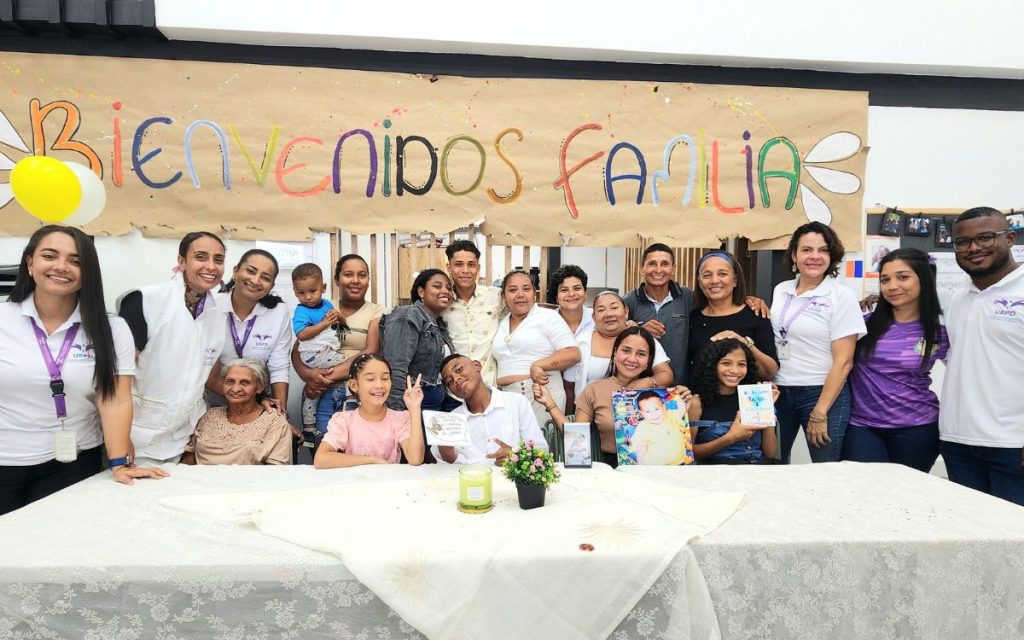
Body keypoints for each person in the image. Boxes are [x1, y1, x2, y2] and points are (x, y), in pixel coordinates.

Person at [0, 226, 166, 515]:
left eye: (76, 261)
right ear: (30, 263)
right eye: (49, 256)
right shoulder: (4, 319)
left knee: (58, 553)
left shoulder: (111, 328)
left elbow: (114, 399)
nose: (61, 267)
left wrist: (118, 464)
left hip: (73, 464)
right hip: (5, 461)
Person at [118, 231, 227, 465]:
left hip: (186, 440)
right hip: (138, 439)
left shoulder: (217, 316)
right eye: (201, 257)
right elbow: (116, 376)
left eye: (218, 260)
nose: (211, 266)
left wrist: (260, 401)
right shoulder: (145, 300)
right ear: (182, 262)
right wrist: (118, 438)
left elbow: (207, 377)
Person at [939, 207, 1024, 505]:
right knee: (970, 540)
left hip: (1013, 444)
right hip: (958, 441)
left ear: (1010, 238)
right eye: (963, 242)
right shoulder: (958, 298)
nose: (973, 248)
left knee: (1015, 540)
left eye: (986, 238)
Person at [844, 249, 948, 472]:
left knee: (906, 496)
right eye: (885, 279)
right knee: (865, 493)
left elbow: (967, 374)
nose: (891, 286)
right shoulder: (863, 323)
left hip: (918, 427)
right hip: (862, 426)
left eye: (903, 277)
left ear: (924, 279)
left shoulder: (941, 329)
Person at [771, 222, 866, 463]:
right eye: (807, 250)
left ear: (831, 256)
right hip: (779, 391)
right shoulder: (781, 290)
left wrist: (820, 411)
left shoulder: (841, 296)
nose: (815, 256)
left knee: (827, 469)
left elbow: (844, 361)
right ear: (794, 255)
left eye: (823, 250)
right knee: (771, 464)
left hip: (822, 392)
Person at [625, 243, 768, 386]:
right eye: (652, 264)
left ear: (673, 269)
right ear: (641, 268)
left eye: (664, 264)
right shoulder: (628, 301)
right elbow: (614, 335)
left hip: (681, 388)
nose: (658, 270)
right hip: (637, 387)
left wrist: (747, 299)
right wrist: (639, 330)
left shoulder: (688, 297)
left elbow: (717, 296)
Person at [537, 326, 675, 467]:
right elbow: (577, 438)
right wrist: (550, 403)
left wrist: (685, 403)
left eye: (641, 354)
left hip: (661, 468)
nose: (632, 359)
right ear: (615, 353)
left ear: (648, 361)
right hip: (613, 471)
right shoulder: (595, 390)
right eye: (626, 351)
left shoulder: (662, 394)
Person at [291, 255, 384, 435]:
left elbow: (371, 351)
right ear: (336, 280)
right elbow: (299, 348)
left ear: (368, 280)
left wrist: (324, 377)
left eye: (362, 275)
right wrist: (309, 375)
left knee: (354, 449)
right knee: (320, 448)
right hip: (319, 390)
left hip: (355, 391)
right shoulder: (319, 304)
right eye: (348, 274)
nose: (355, 280)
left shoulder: (377, 311)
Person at [492, 270, 581, 427]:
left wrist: (538, 365)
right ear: (503, 296)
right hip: (506, 398)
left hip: (540, 394)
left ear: (534, 294)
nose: (520, 294)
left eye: (526, 289)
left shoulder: (547, 317)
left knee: (541, 449)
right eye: (512, 290)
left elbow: (572, 353)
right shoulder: (501, 322)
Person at [207, 250, 291, 414]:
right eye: (251, 271)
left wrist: (280, 412)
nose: (255, 280)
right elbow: (207, 371)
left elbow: (279, 366)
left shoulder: (279, 312)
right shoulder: (210, 309)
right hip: (214, 404)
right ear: (236, 271)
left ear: (271, 286)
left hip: (258, 404)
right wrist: (256, 399)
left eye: (265, 278)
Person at [314, 354, 425, 468]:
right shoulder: (344, 421)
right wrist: (371, 460)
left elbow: (415, 459)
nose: (379, 385)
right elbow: (321, 459)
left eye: (385, 378)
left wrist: (414, 409)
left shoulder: (400, 419)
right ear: (354, 385)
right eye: (370, 379)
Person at [435, 354, 547, 465]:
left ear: (477, 366)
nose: (456, 379)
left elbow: (540, 451)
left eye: (459, 369)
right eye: (449, 381)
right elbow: (446, 471)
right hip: (473, 481)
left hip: (513, 481)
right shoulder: (451, 421)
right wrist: (449, 457)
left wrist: (515, 455)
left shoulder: (517, 403)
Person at [688, 250, 778, 385]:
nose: (714, 280)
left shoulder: (755, 314)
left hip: (744, 403)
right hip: (701, 402)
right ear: (700, 283)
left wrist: (743, 342)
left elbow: (770, 371)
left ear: (735, 280)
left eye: (722, 274)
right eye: (707, 275)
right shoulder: (691, 318)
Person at [569, 291, 674, 403]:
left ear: (626, 311)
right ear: (594, 317)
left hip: (635, 410)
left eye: (614, 307)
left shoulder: (643, 338)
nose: (608, 314)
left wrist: (647, 382)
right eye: (601, 310)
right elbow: (569, 385)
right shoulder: (581, 342)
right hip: (590, 409)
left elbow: (666, 375)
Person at [183, 359, 293, 465]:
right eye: (230, 382)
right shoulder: (209, 416)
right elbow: (190, 457)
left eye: (245, 383)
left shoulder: (274, 422)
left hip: (250, 483)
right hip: (201, 482)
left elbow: (277, 472)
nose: (235, 389)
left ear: (259, 387)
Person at [688, 338, 779, 464]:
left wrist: (767, 408)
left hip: (757, 469)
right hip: (715, 474)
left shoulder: (752, 397)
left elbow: (771, 453)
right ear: (712, 364)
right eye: (726, 363)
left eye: (741, 364)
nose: (735, 370)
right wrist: (731, 437)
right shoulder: (696, 403)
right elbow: (689, 454)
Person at [381, 268, 457, 413]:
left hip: (435, 404)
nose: (445, 291)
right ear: (421, 292)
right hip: (411, 404)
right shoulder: (409, 314)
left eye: (448, 288)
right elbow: (395, 367)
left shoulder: (439, 324)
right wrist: (395, 414)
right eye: (437, 286)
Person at [291, 262, 349, 434]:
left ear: (323, 287)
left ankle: (309, 426)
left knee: (314, 390)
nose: (307, 297)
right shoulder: (301, 311)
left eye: (312, 291)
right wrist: (324, 323)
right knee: (350, 364)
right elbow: (301, 335)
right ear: (295, 292)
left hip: (325, 352)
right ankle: (351, 394)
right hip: (314, 354)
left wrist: (339, 316)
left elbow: (341, 325)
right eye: (301, 293)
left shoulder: (326, 304)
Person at [443, 240, 502, 387]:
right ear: (449, 268)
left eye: (471, 264)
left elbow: (525, 307)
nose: (465, 270)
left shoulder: (495, 297)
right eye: (458, 264)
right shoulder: (441, 302)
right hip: (453, 391)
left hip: (488, 386)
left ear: (478, 267)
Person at [548, 264, 595, 410]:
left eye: (577, 288)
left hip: (591, 397)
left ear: (585, 292)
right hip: (552, 395)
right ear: (556, 296)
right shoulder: (546, 321)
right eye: (564, 290)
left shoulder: (598, 319)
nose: (571, 294)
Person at [631, 390, 694, 465]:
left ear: (663, 406)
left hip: (681, 462)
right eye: (648, 411)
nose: (654, 414)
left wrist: (679, 394)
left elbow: (683, 409)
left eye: (657, 409)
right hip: (659, 468)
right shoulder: (643, 427)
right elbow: (641, 452)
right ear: (642, 413)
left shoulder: (670, 416)